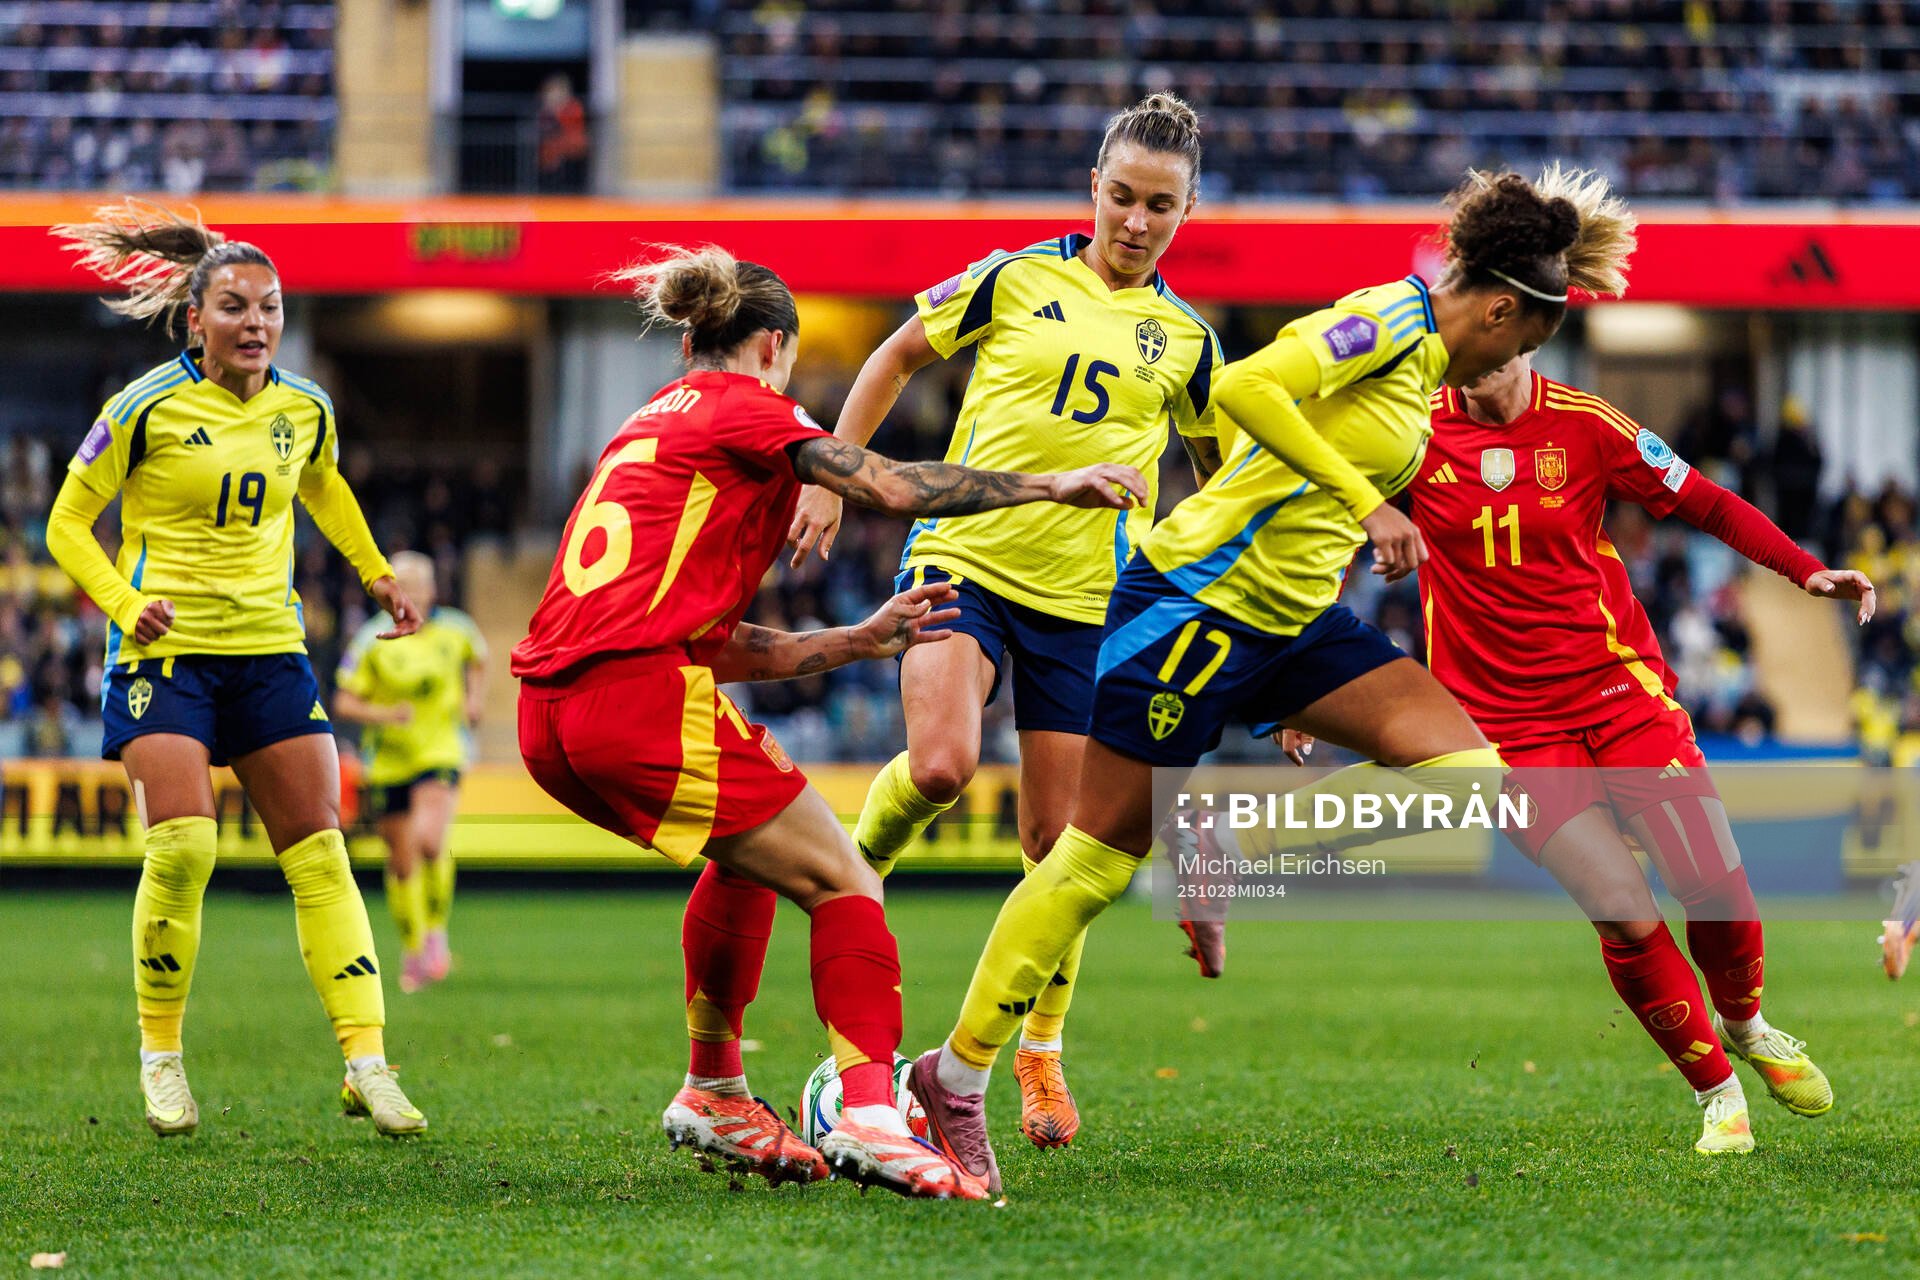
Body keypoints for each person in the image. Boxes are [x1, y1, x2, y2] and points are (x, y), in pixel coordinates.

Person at [905, 169, 1591, 1197]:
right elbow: (1242, 388)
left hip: (1293, 622)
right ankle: (952, 1078)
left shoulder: (1429, 372)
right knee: (1088, 865)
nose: (1512, 367)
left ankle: (1225, 834)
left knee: (1468, 774)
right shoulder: (1387, 323)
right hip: (1188, 602)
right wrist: (1367, 501)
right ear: (1499, 308)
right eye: (1522, 343)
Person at [511, 244, 1148, 1200]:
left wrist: (853, 642)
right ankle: (871, 1114)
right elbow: (889, 486)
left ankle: (717, 1086)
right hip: (634, 699)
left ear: (692, 339)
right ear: (775, 346)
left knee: (752, 857)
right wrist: (1047, 484)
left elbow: (713, 639)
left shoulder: (645, 424)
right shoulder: (754, 409)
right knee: (847, 881)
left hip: (548, 715)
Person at [1399, 165, 1874, 1153]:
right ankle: (1716, 1092)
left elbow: (1703, 499)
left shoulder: (1587, 425)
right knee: (1619, 908)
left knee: (1718, 888)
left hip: (1619, 691)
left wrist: (1803, 569)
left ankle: (1745, 1021)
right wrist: (1292, 687)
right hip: (1504, 726)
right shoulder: (1403, 437)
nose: (1472, 361)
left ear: (1521, 328)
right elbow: (1309, 520)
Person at [786, 92, 1224, 1149]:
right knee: (937, 763)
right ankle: (855, 873)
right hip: (965, 556)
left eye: (1159, 205)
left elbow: (1218, 487)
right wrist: (837, 477)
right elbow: (892, 356)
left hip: (1089, 607)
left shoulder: (1192, 343)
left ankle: (1037, 1052)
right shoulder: (1013, 275)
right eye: (1121, 195)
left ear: (1187, 209)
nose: (1135, 220)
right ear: (1093, 189)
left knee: (1058, 846)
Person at [44, 200, 428, 1138]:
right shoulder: (141, 409)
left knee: (322, 853)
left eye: (270, 308)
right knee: (185, 847)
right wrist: (127, 605)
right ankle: (162, 1056)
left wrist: (376, 573)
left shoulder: (307, 409)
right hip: (164, 653)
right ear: (194, 320)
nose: (255, 324)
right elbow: (64, 525)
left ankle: (367, 1062)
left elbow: (325, 486)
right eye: (234, 307)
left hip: (269, 651)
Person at [333, 550, 485, 993]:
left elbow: (480, 658)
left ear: (434, 588)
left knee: (430, 840)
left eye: (422, 584)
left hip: (440, 750)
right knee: (401, 863)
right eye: (406, 585)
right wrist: (384, 715)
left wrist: (473, 699)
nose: (415, 593)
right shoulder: (369, 640)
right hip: (388, 760)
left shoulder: (456, 629)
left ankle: (435, 932)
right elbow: (344, 700)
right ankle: (414, 950)